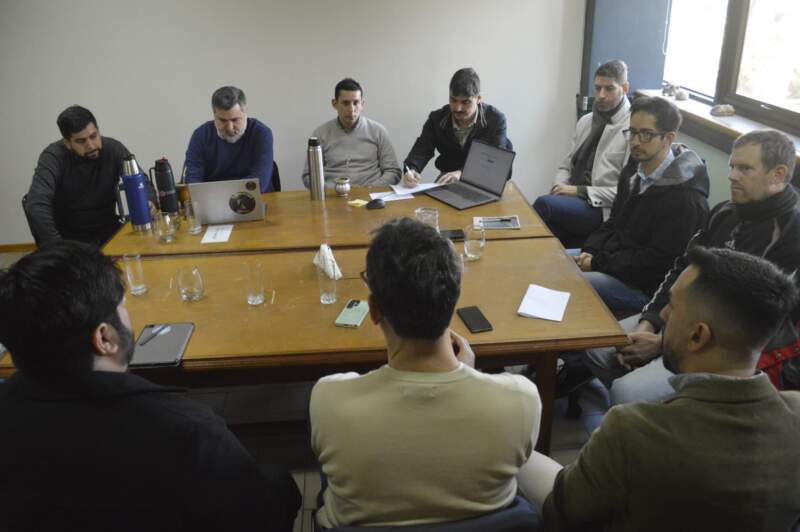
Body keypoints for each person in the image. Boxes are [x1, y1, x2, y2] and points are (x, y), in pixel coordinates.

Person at [0, 241, 300, 531]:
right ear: (104, 338)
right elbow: (258, 519)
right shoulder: (186, 430)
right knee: (278, 483)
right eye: (123, 307)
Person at [539, 247, 800, 531]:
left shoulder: (631, 430)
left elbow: (561, 514)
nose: (663, 312)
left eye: (672, 307)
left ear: (698, 335)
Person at [310, 218, 541, 528]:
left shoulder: (329, 400)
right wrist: (469, 377)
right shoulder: (521, 399)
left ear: (374, 310)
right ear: (453, 297)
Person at [586, 129, 800, 403]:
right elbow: (681, 269)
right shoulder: (725, 211)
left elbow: (753, 327)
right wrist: (649, 323)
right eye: (732, 166)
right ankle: (664, 420)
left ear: (778, 174)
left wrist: (664, 344)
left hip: (730, 354)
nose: (732, 176)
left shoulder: (791, 237)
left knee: (626, 392)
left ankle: (670, 419)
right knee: (597, 351)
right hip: (684, 321)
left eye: (744, 168)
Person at [572, 95, 709, 312]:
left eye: (646, 134)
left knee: (570, 283)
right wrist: (591, 250)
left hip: (643, 289)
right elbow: (614, 222)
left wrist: (598, 263)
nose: (635, 142)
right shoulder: (633, 169)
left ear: (668, 138)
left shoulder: (686, 200)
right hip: (614, 264)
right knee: (554, 261)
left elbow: (657, 263)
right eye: (633, 132)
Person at [533, 60, 631, 248]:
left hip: (601, 208)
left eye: (609, 89)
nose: (601, 95)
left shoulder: (631, 129)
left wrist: (578, 191)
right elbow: (566, 165)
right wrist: (560, 187)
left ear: (625, 88)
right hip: (573, 198)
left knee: (543, 206)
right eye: (598, 88)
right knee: (547, 234)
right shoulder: (586, 121)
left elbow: (624, 193)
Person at [25, 105, 153, 246]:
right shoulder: (53, 157)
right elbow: (36, 204)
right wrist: (58, 247)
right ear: (67, 143)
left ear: (98, 131)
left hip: (108, 229)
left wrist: (150, 201)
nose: (91, 146)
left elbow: (142, 181)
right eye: (81, 141)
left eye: (93, 136)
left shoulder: (114, 149)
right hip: (69, 237)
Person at [402, 68, 511, 186]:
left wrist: (461, 174)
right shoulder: (437, 119)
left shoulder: (495, 120)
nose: (457, 108)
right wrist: (411, 169)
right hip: (449, 178)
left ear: (478, 98)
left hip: (484, 180)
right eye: (453, 100)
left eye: (465, 102)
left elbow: (495, 162)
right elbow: (421, 149)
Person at [301, 78, 400, 187]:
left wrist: (369, 189)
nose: (351, 109)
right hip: (332, 195)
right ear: (334, 104)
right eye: (346, 103)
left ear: (362, 104)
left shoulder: (378, 131)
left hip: (370, 194)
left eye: (356, 103)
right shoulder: (320, 133)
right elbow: (308, 176)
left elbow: (393, 172)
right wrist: (335, 190)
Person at [185, 86, 275, 193]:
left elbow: (259, 183)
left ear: (245, 112)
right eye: (223, 120)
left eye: (235, 120)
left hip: (254, 199)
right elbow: (193, 182)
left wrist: (218, 194)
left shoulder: (261, 134)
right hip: (213, 202)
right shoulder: (200, 136)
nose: (230, 128)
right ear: (214, 115)